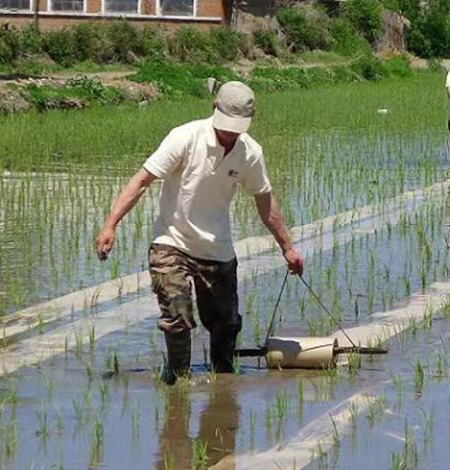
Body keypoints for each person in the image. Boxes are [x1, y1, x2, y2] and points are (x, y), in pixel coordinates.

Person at [94, 81, 304, 384]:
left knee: (226, 325)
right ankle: (178, 381)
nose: (230, 133)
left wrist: (288, 248)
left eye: (237, 128)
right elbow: (141, 181)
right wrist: (110, 224)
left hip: (216, 248)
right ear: (214, 108)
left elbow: (265, 202)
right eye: (226, 125)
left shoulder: (250, 153)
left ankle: (224, 383)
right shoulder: (185, 137)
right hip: (171, 241)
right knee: (177, 314)